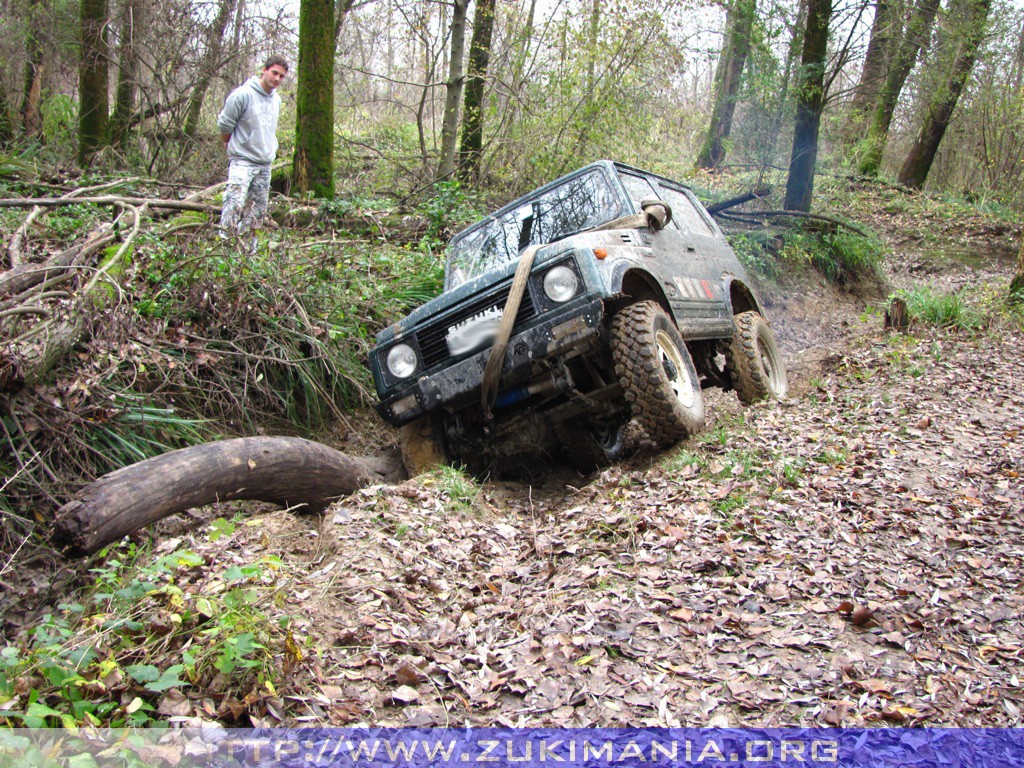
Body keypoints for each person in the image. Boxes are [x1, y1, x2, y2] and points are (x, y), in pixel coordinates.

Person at [216, 55, 288, 236]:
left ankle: (248, 251)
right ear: (264, 70)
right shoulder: (243, 94)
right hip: (242, 160)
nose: (277, 79)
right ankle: (225, 248)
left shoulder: (276, 100)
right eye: (274, 73)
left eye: (281, 76)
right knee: (234, 204)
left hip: (264, 163)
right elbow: (225, 124)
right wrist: (228, 142)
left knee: (256, 211)